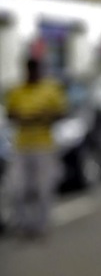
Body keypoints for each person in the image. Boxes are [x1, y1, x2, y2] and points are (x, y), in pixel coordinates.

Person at [4, 57, 67, 237]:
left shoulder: (50, 90)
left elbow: (61, 113)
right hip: (22, 145)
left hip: (44, 146)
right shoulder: (17, 91)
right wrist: (23, 118)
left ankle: (41, 225)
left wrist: (44, 117)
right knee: (17, 188)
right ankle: (23, 224)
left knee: (43, 188)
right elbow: (11, 114)